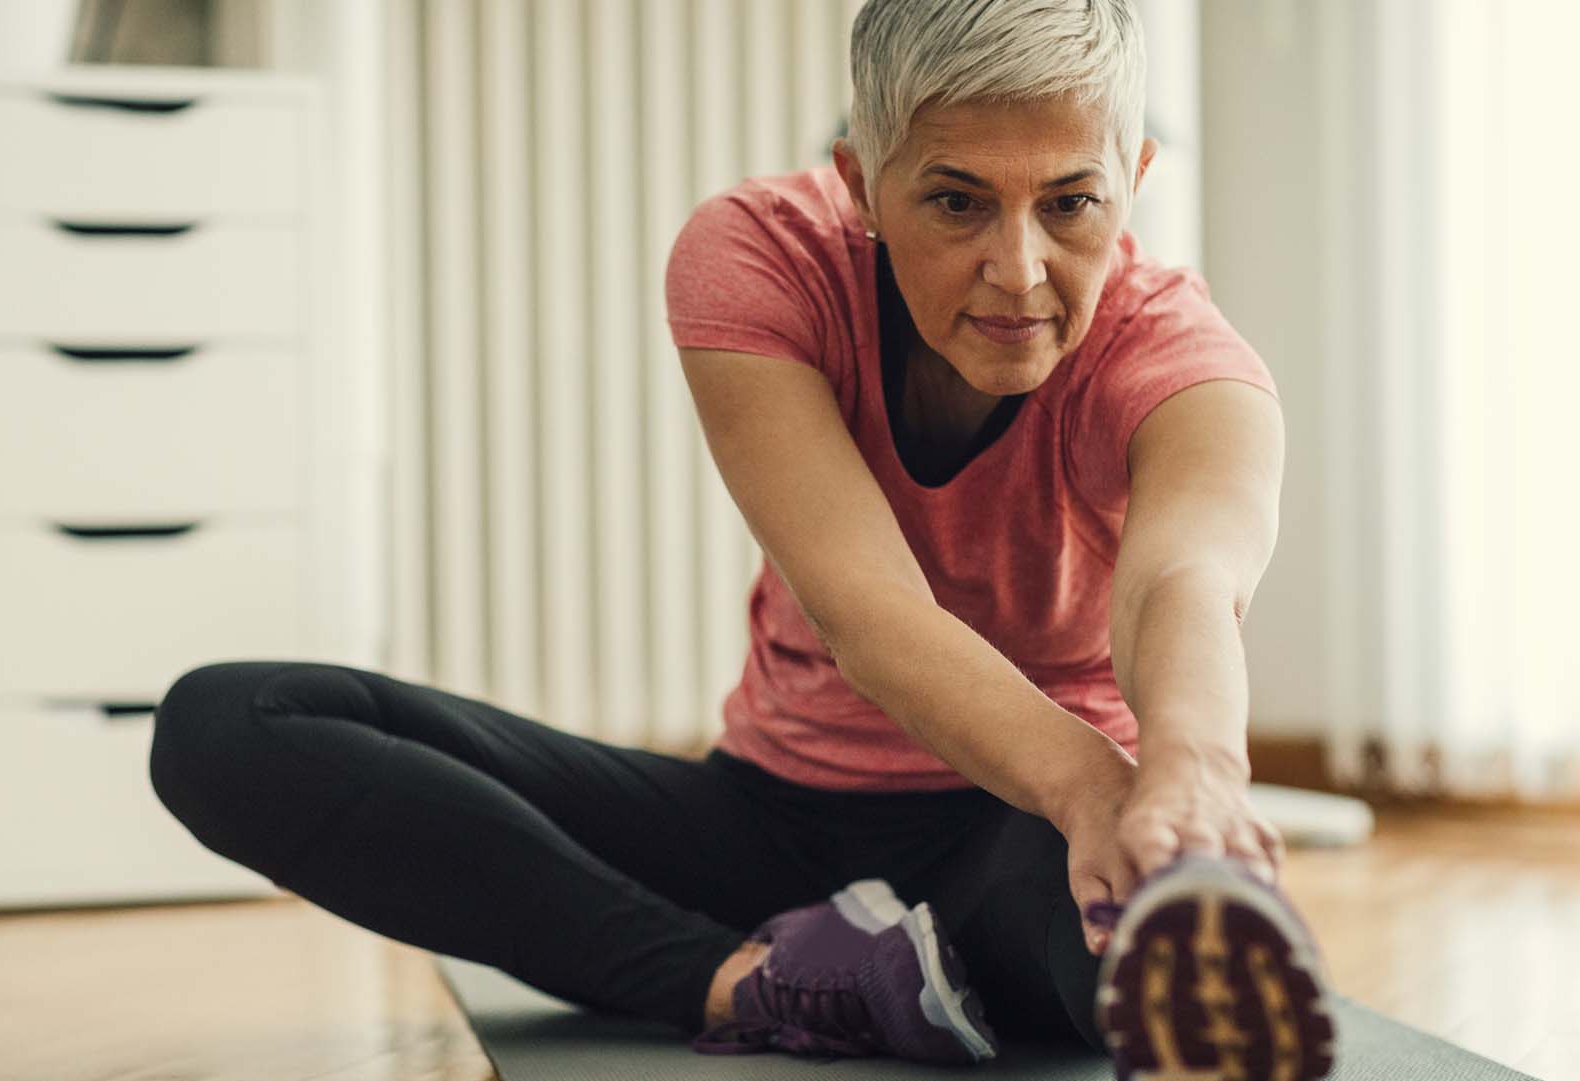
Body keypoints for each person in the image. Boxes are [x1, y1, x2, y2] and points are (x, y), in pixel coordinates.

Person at [148, 0, 1336, 1077]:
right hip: (773, 822)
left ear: (1133, 178)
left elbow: (1181, 579)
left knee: (1116, 944)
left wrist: (1188, 776)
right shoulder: (764, 255)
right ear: (863, 185)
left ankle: (1103, 962)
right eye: (956, 200)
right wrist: (1098, 785)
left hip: (1018, 843)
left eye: (1070, 203)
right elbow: (871, 617)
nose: (1017, 270)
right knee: (228, 727)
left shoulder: (1184, 362)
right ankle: (760, 980)